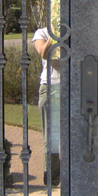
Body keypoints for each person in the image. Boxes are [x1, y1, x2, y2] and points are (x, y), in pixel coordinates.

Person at [32, 27, 61, 186]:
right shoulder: (42, 33)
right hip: (50, 89)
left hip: (73, 88)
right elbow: (44, 53)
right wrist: (54, 35)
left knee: (74, 135)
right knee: (50, 137)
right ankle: (53, 179)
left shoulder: (74, 28)